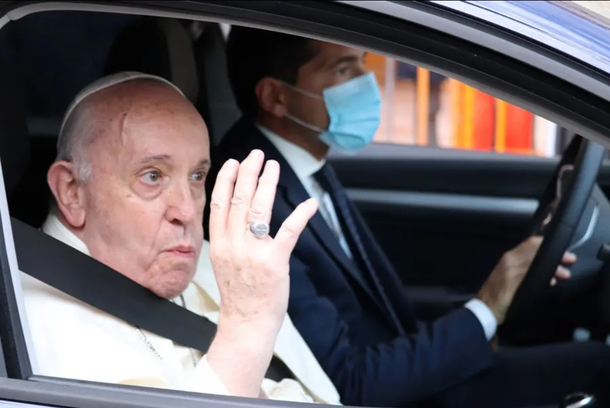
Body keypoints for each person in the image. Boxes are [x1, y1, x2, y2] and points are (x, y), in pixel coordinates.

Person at [209, 26, 610, 408]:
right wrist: (487, 307)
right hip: (395, 393)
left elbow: (381, 313)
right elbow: (347, 383)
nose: (367, 80)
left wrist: (489, 309)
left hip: (411, 373)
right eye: (343, 69)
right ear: (275, 98)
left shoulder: (305, 162)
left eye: (363, 61)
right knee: (599, 366)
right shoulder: (255, 201)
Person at [20, 71, 342, 404]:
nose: (187, 210)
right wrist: (245, 329)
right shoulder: (36, 324)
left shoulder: (220, 260)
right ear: (72, 192)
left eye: (197, 175)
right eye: (152, 176)